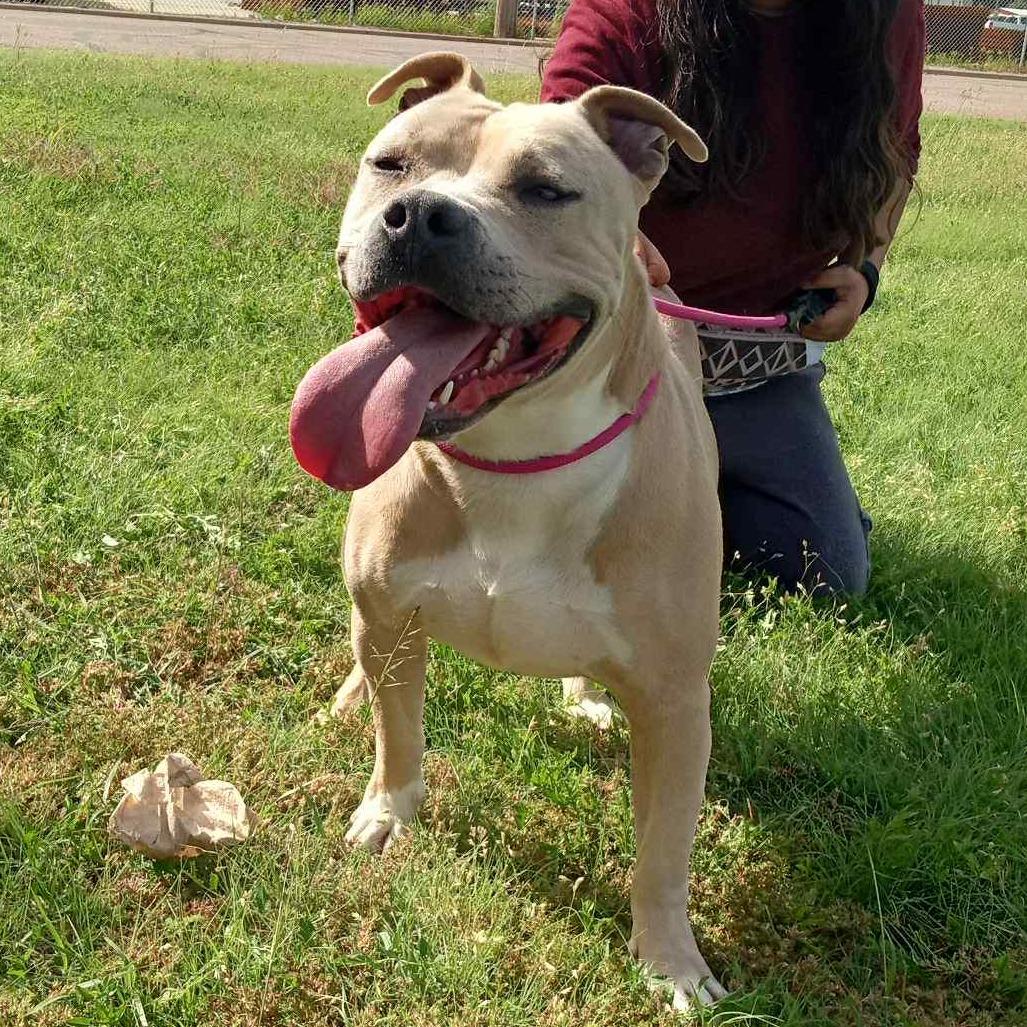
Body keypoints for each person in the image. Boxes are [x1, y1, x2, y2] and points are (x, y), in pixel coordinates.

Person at [542, 0, 924, 595]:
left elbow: (899, 151)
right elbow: (554, 139)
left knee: (827, 573)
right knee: (568, 549)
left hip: (758, 371)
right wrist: (618, 236)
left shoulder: (885, 13)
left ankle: (704, 485)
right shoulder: (631, 10)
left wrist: (866, 270)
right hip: (619, 357)